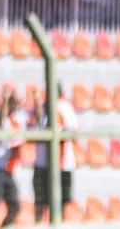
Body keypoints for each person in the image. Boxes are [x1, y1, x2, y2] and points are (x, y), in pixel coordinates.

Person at [33, 84, 78, 224]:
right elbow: (37, 123)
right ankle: (39, 223)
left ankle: (59, 223)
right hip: (42, 163)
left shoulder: (64, 108)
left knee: (62, 199)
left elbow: (72, 131)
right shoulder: (41, 107)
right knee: (41, 199)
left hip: (62, 163)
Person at [0, 95, 22, 228]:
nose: (15, 107)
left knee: (14, 204)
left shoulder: (14, 121)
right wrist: (4, 101)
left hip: (7, 169)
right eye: (12, 103)